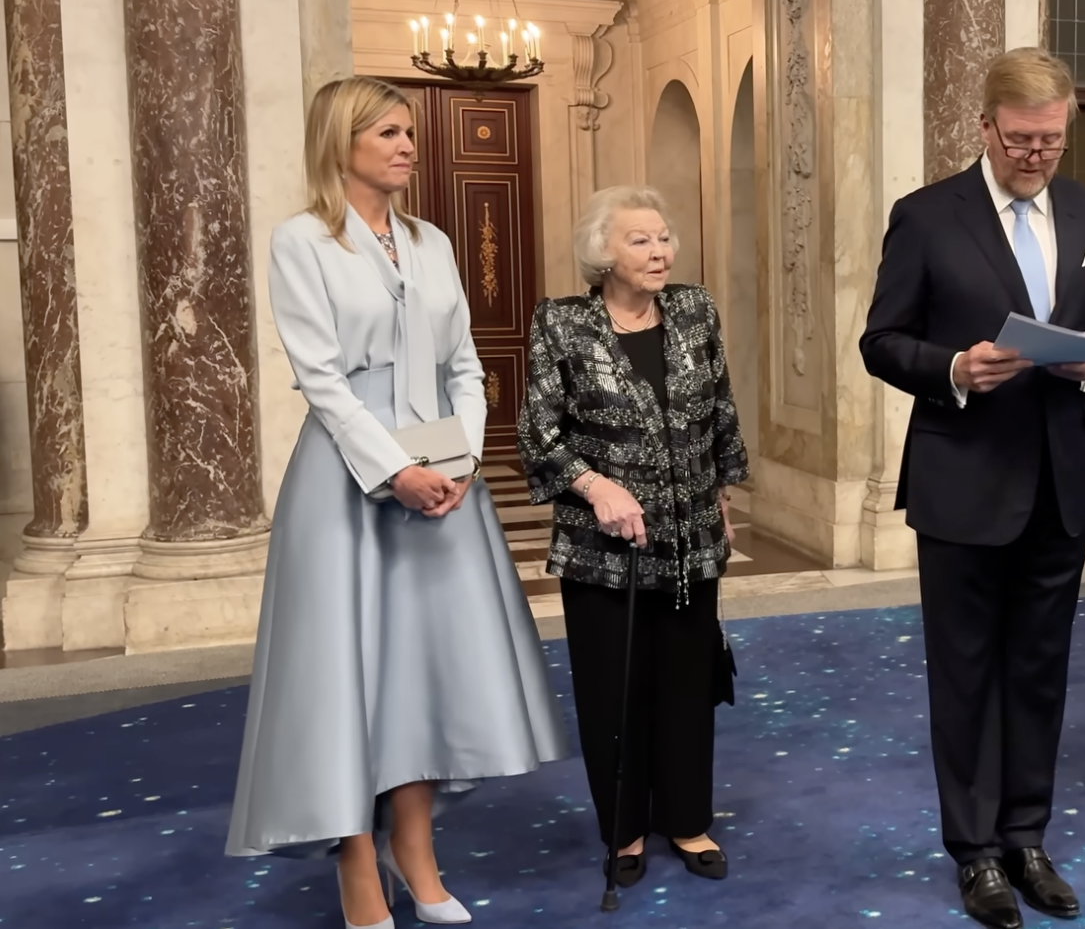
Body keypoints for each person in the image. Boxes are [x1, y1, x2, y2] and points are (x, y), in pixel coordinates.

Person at [226, 77, 570, 929]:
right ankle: (356, 865)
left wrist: (456, 458)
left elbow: (463, 365)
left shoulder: (432, 239)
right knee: (349, 676)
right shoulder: (301, 242)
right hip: (348, 480)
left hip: (443, 477)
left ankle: (417, 856)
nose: (407, 145)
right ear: (342, 142)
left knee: (418, 671)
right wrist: (393, 472)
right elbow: (323, 382)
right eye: (388, 132)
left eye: (409, 131)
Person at [859, 46, 1085, 929]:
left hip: (1061, 480)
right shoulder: (927, 216)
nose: (1035, 156)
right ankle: (974, 852)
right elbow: (882, 340)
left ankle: (1026, 836)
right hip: (964, 478)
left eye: (1051, 140)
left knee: (1040, 673)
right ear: (984, 127)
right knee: (967, 676)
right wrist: (955, 367)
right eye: (1020, 140)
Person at [517, 186, 748, 888]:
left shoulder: (693, 308)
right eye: (639, 240)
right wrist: (594, 485)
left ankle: (686, 818)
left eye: (664, 237)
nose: (659, 251)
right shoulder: (561, 324)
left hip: (689, 539)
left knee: (685, 683)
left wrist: (721, 496)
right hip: (602, 545)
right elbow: (539, 431)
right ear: (603, 254)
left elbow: (719, 408)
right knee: (613, 691)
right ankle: (623, 830)